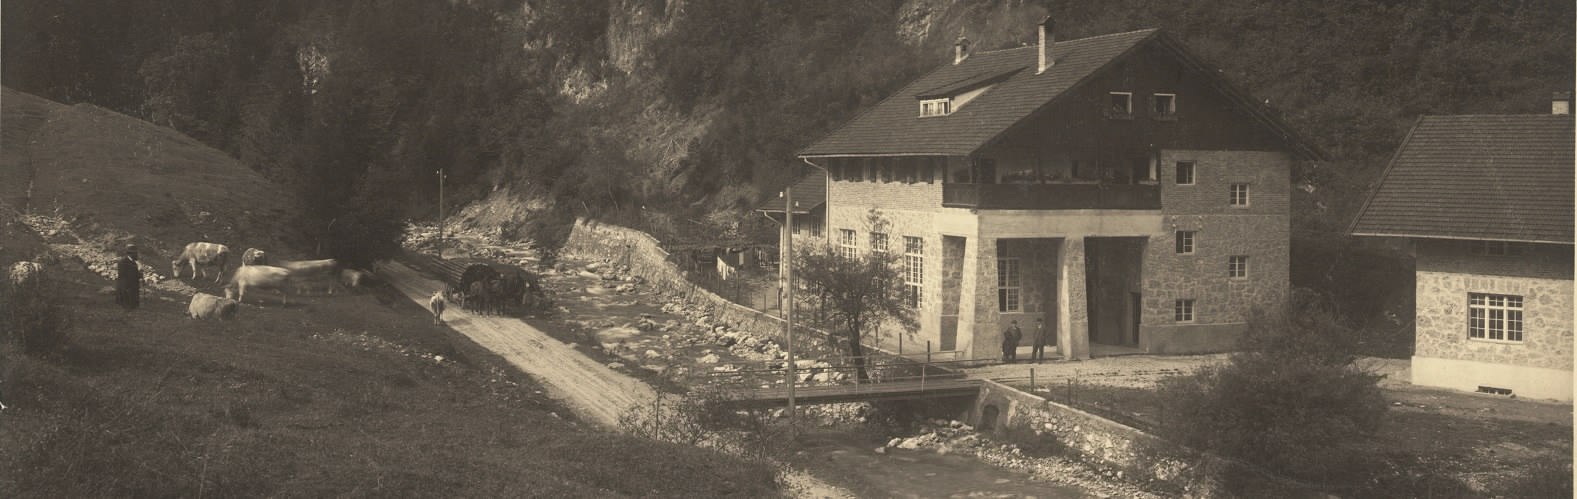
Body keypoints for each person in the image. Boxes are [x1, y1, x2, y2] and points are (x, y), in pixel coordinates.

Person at [115, 245, 142, 311]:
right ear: (131, 254)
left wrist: (139, 274)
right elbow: (122, 275)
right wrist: (137, 275)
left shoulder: (133, 262)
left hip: (132, 286)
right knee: (126, 302)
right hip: (125, 286)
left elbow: (134, 274)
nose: (137, 255)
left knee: (133, 303)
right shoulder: (122, 262)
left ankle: (133, 306)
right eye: (135, 253)